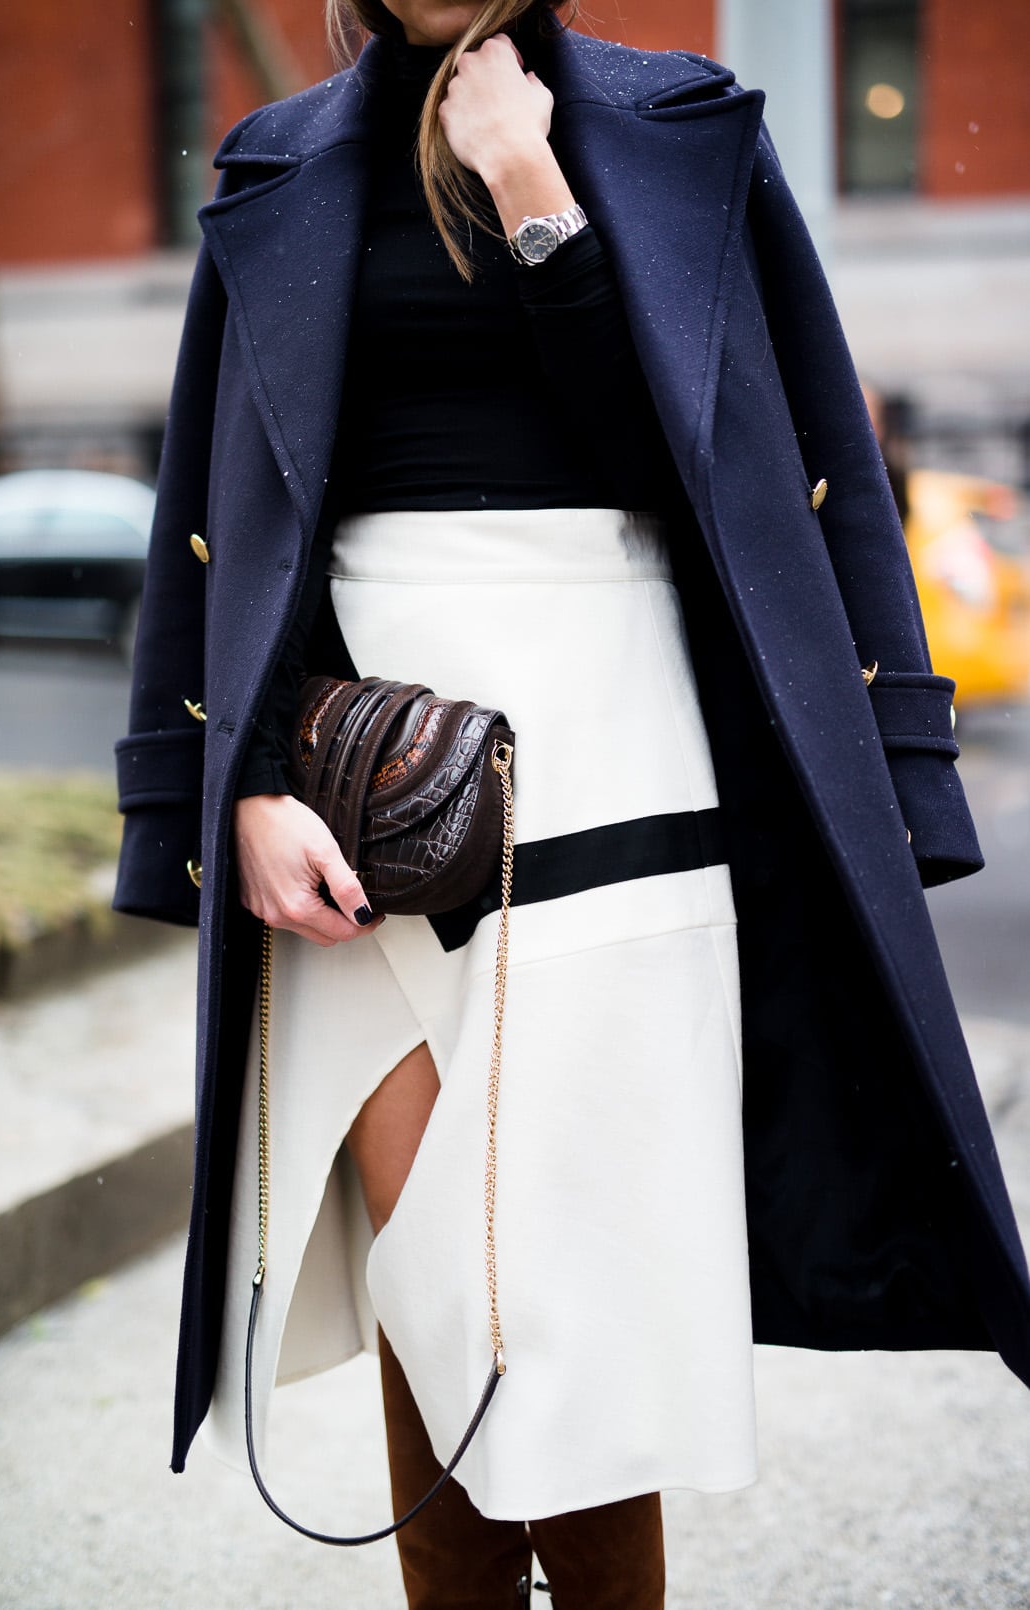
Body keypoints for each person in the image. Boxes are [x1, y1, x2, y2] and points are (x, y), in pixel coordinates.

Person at [114, 1, 1030, 1604]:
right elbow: (221, 514)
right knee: (438, 1301)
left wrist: (536, 196)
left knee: (590, 1322)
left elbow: (738, 471)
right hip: (358, 792)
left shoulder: (679, 128)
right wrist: (238, 783)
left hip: (626, 769)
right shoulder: (279, 163)